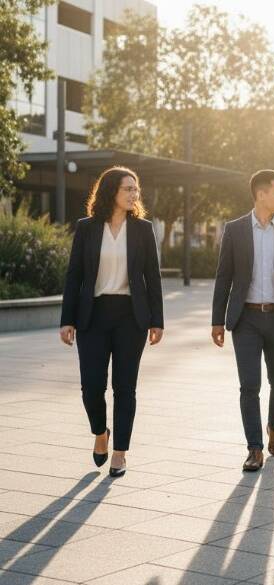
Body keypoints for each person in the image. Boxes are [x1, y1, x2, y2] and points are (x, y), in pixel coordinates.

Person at [60, 166, 164, 478]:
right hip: (93, 315)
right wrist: (67, 319)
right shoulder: (87, 228)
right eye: (127, 189)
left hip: (131, 317)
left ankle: (120, 452)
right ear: (111, 192)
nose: (134, 194)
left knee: (125, 387)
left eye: (136, 188)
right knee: (91, 387)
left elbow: (153, 277)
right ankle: (100, 432)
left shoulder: (143, 229)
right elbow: (75, 275)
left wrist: (157, 320)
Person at [211, 169, 274, 472]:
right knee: (249, 385)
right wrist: (217, 321)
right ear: (261, 194)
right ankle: (254, 448)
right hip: (246, 320)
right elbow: (224, 277)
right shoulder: (235, 229)